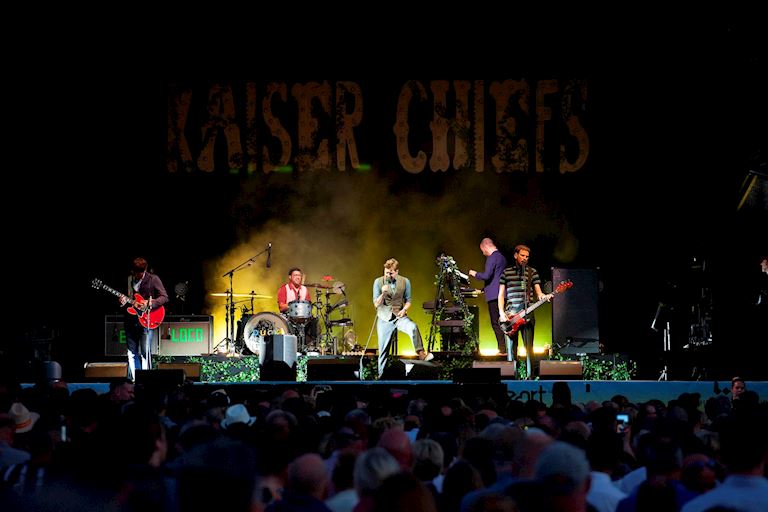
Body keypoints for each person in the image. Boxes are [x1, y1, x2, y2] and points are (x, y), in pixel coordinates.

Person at [373, 258, 432, 378]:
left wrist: (404, 309)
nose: (388, 275)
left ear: (396, 272)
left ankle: (421, 354)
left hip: (399, 316)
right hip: (384, 318)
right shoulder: (378, 282)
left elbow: (408, 300)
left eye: (390, 273)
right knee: (383, 350)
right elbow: (376, 304)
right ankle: (381, 377)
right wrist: (383, 293)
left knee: (413, 327)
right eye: (386, 272)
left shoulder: (405, 281)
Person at [498, 245, 551, 377]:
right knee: (511, 351)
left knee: (529, 349)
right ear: (515, 255)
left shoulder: (532, 272)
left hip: (527, 315)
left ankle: (530, 378)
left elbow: (539, 293)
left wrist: (544, 296)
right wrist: (501, 313)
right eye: (522, 255)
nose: (525, 258)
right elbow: (501, 295)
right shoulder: (506, 272)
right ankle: (511, 378)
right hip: (510, 316)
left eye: (527, 256)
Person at [120, 257, 168, 381]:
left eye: (142, 272)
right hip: (130, 320)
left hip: (147, 319)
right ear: (132, 271)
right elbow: (124, 298)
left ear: (145, 269)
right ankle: (135, 380)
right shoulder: (128, 280)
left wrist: (151, 303)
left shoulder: (153, 279)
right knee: (131, 352)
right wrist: (122, 301)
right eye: (137, 273)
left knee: (145, 352)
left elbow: (164, 297)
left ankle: (146, 380)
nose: (140, 275)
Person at [468, 238, 508, 355]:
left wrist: (474, 273)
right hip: (502, 294)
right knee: (503, 322)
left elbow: (486, 276)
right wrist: (483, 290)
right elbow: (496, 278)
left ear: (486, 246)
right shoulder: (502, 257)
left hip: (494, 296)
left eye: (482, 250)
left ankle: (502, 349)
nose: (483, 253)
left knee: (496, 323)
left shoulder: (492, 257)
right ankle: (507, 348)